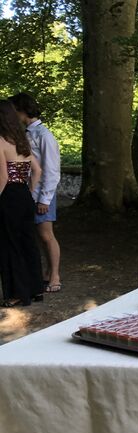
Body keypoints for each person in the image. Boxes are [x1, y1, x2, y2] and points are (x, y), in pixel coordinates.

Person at [9, 93, 61, 293]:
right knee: (38, 236)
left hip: (42, 194)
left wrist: (45, 199)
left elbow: (52, 170)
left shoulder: (44, 135)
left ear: (22, 110)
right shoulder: (26, 133)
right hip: (29, 193)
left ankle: (55, 274)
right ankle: (47, 273)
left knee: (47, 235)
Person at [0, 100, 44, 307]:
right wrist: (30, 190)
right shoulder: (22, 142)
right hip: (24, 195)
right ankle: (35, 289)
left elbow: (3, 178)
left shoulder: (0, 142)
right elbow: (37, 171)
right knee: (28, 243)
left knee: (11, 245)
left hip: (8, 197)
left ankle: (18, 293)